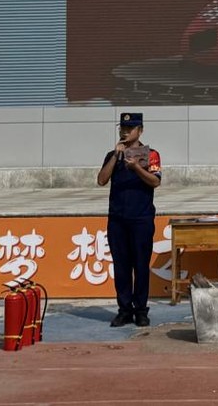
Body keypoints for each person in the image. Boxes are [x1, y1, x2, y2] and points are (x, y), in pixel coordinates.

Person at [97, 112, 162, 327]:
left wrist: (136, 168)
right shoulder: (113, 155)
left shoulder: (151, 155)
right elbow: (101, 180)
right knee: (121, 266)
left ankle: (141, 310)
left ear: (140, 130)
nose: (125, 132)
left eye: (130, 128)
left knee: (141, 266)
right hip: (118, 219)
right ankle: (124, 309)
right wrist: (116, 156)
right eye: (122, 128)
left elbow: (155, 181)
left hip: (141, 218)